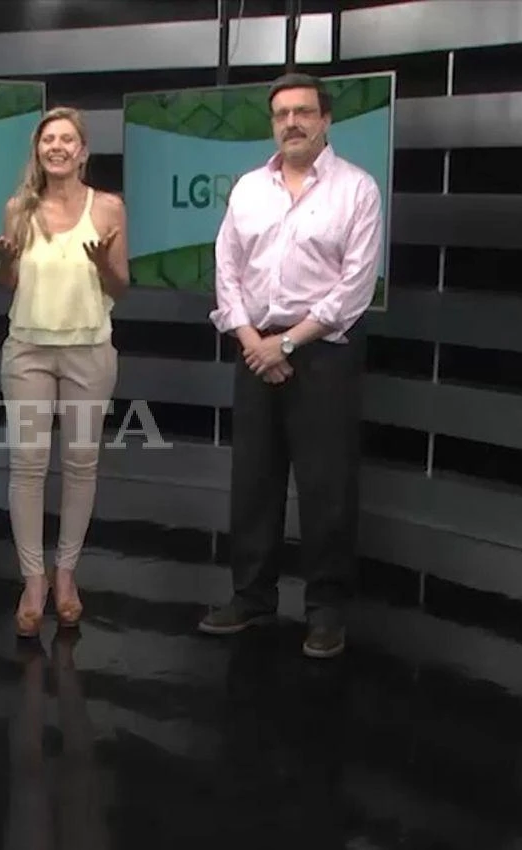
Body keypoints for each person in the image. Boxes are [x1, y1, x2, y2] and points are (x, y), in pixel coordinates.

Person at [198, 73, 382, 659]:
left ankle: (326, 610)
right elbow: (227, 270)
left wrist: (289, 345)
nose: (292, 123)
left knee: (327, 486)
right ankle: (252, 595)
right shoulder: (249, 188)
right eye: (281, 114)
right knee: (254, 481)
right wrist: (255, 342)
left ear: (326, 120)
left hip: (324, 353)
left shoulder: (357, 190)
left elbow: (354, 289)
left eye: (303, 112)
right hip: (255, 348)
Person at [0, 106, 128, 638]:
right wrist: (5, 260)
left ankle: (66, 574)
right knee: (27, 466)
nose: (58, 147)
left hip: (89, 349)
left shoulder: (108, 208)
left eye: (67, 139)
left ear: (83, 151)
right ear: (38, 150)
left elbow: (121, 287)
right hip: (28, 350)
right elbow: (6, 285)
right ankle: (33, 581)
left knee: (81, 464)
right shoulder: (18, 209)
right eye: (49, 140)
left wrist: (102, 263)